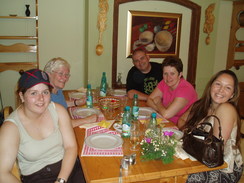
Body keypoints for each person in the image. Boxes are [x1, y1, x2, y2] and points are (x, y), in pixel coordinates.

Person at [0, 69, 84, 183]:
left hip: (67, 169)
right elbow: (2, 173)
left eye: (45, 92)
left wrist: (61, 180)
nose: (41, 98)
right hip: (37, 177)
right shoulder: (11, 127)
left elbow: (71, 147)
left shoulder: (58, 110)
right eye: (33, 93)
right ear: (22, 96)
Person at [178, 70, 243, 183]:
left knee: (184, 177)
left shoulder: (226, 109)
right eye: (218, 84)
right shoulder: (201, 105)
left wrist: (191, 134)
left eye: (228, 88)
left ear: (232, 94)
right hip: (199, 155)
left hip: (223, 166)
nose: (221, 90)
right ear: (211, 85)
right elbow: (182, 120)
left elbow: (213, 150)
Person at [44, 57, 97, 127]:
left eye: (67, 75)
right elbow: (58, 125)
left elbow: (60, 104)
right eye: (60, 74)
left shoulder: (57, 89)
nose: (65, 78)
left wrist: (77, 102)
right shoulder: (44, 96)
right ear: (48, 74)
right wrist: (87, 120)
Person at [146, 56, 197, 125]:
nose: (168, 78)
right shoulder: (164, 83)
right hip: (166, 122)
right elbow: (149, 100)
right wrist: (162, 110)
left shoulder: (185, 89)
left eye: (172, 74)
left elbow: (166, 115)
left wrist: (158, 102)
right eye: (165, 74)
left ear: (180, 74)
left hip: (182, 128)